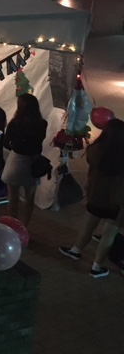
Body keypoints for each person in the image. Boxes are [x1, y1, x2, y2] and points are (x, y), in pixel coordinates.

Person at [59, 118, 124, 279]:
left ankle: (76, 250)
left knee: (88, 225)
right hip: (116, 201)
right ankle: (96, 267)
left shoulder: (95, 150)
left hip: (96, 195)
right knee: (109, 234)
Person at [2, 93, 48, 226]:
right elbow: (40, 141)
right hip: (33, 162)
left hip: (17, 160)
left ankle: (12, 224)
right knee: (29, 197)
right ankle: (24, 226)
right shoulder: (42, 124)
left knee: (12, 196)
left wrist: (17, 146)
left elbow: (6, 143)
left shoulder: (15, 123)